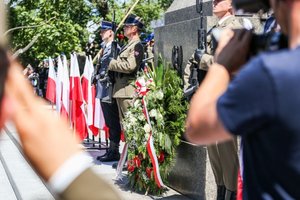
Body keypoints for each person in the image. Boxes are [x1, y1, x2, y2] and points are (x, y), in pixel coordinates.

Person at [185, 0, 300, 199]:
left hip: (226, 97)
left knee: (228, 155)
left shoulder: (272, 71)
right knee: (217, 156)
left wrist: (220, 64)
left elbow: (196, 127)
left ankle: (228, 192)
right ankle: (222, 190)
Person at [183, 0, 242, 199]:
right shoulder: (214, 29)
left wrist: (204, 59)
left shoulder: (235, 26)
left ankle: (230, 193)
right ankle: (221, 189)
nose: (214, 3)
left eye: (219, 0)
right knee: (214, 149)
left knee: (226, 148)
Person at [107, 14, 144, 167]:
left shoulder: (137, 45)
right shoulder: (128, 45)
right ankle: (129, 159)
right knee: (126, 128)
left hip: (128, 91)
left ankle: (134, 160)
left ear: (135, 29)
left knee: (131, 127)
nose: (125, 28)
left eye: (128, 26)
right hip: (121, 90)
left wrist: (112, 63)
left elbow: (130, 66)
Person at [94, 20, 122, 162]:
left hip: (109, 88)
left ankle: (114, 151)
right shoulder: (105, 47)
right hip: (103, 89)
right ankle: (111, 149)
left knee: (112, 120)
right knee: (109, 120)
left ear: (111, 32)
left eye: (103, 31)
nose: (101, 33)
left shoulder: (114, 48)